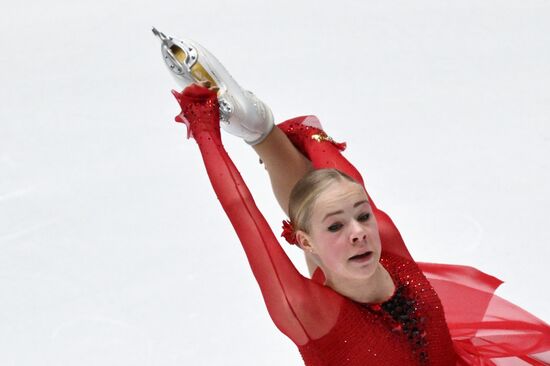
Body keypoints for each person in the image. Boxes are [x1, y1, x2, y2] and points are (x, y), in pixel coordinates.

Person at [156, 29, 550, 365]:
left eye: (362, 218)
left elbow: (347, 187)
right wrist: (205, 131)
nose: (361, 231)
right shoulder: (306, 311)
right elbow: (242, 212)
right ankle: (260, 131)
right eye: (340, 227)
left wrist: (312, 140)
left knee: (328, 199)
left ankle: (259, 127)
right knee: (324, 206)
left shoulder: (387, 248)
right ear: (302, 243)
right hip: (332, 300)